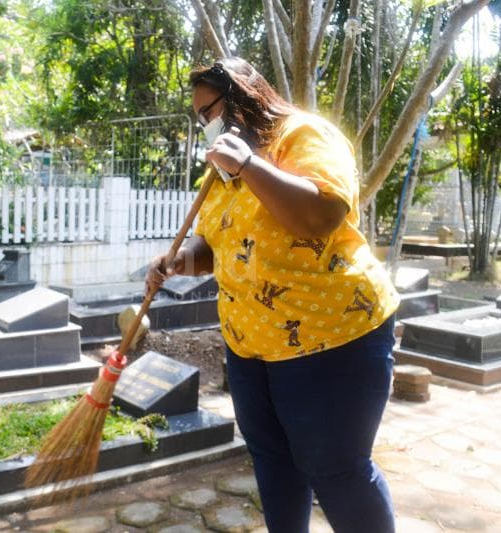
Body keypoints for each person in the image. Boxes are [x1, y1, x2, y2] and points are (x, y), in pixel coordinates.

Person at [146, 57, 400, 533]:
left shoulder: (303, 135)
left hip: (331, 338)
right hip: (251, 347)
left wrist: (248, 164)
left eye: (208, 111)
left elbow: (320, 215)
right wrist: (180, 261)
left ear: (241, 95)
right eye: (199, 117)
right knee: (273, 463)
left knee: (336, 469)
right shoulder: (222, 170)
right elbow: (221, 245)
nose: (205, 124)